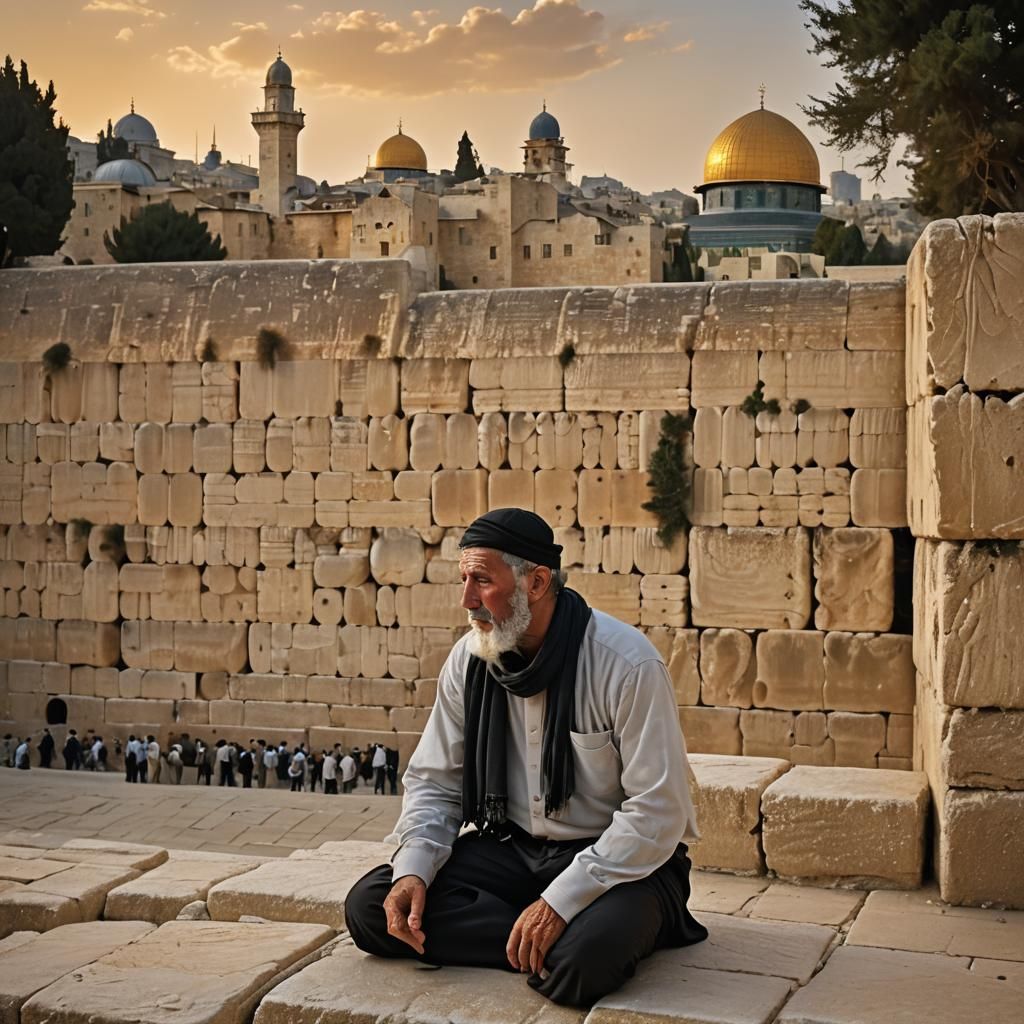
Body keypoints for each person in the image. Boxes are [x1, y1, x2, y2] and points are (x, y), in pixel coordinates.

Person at [344, 508, 707, 1007]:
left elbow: (657, 811)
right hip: (512, 851)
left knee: (587, 961)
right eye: (463, 579)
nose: (467, 600)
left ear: (536, 582)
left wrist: (561, 901)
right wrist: (413, 871)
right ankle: (540, 942)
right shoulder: (469, 661)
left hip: (618, 860)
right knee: (371, 909)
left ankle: (569, 933)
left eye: (482, 581)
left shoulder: (625, 664)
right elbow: (436, 783)